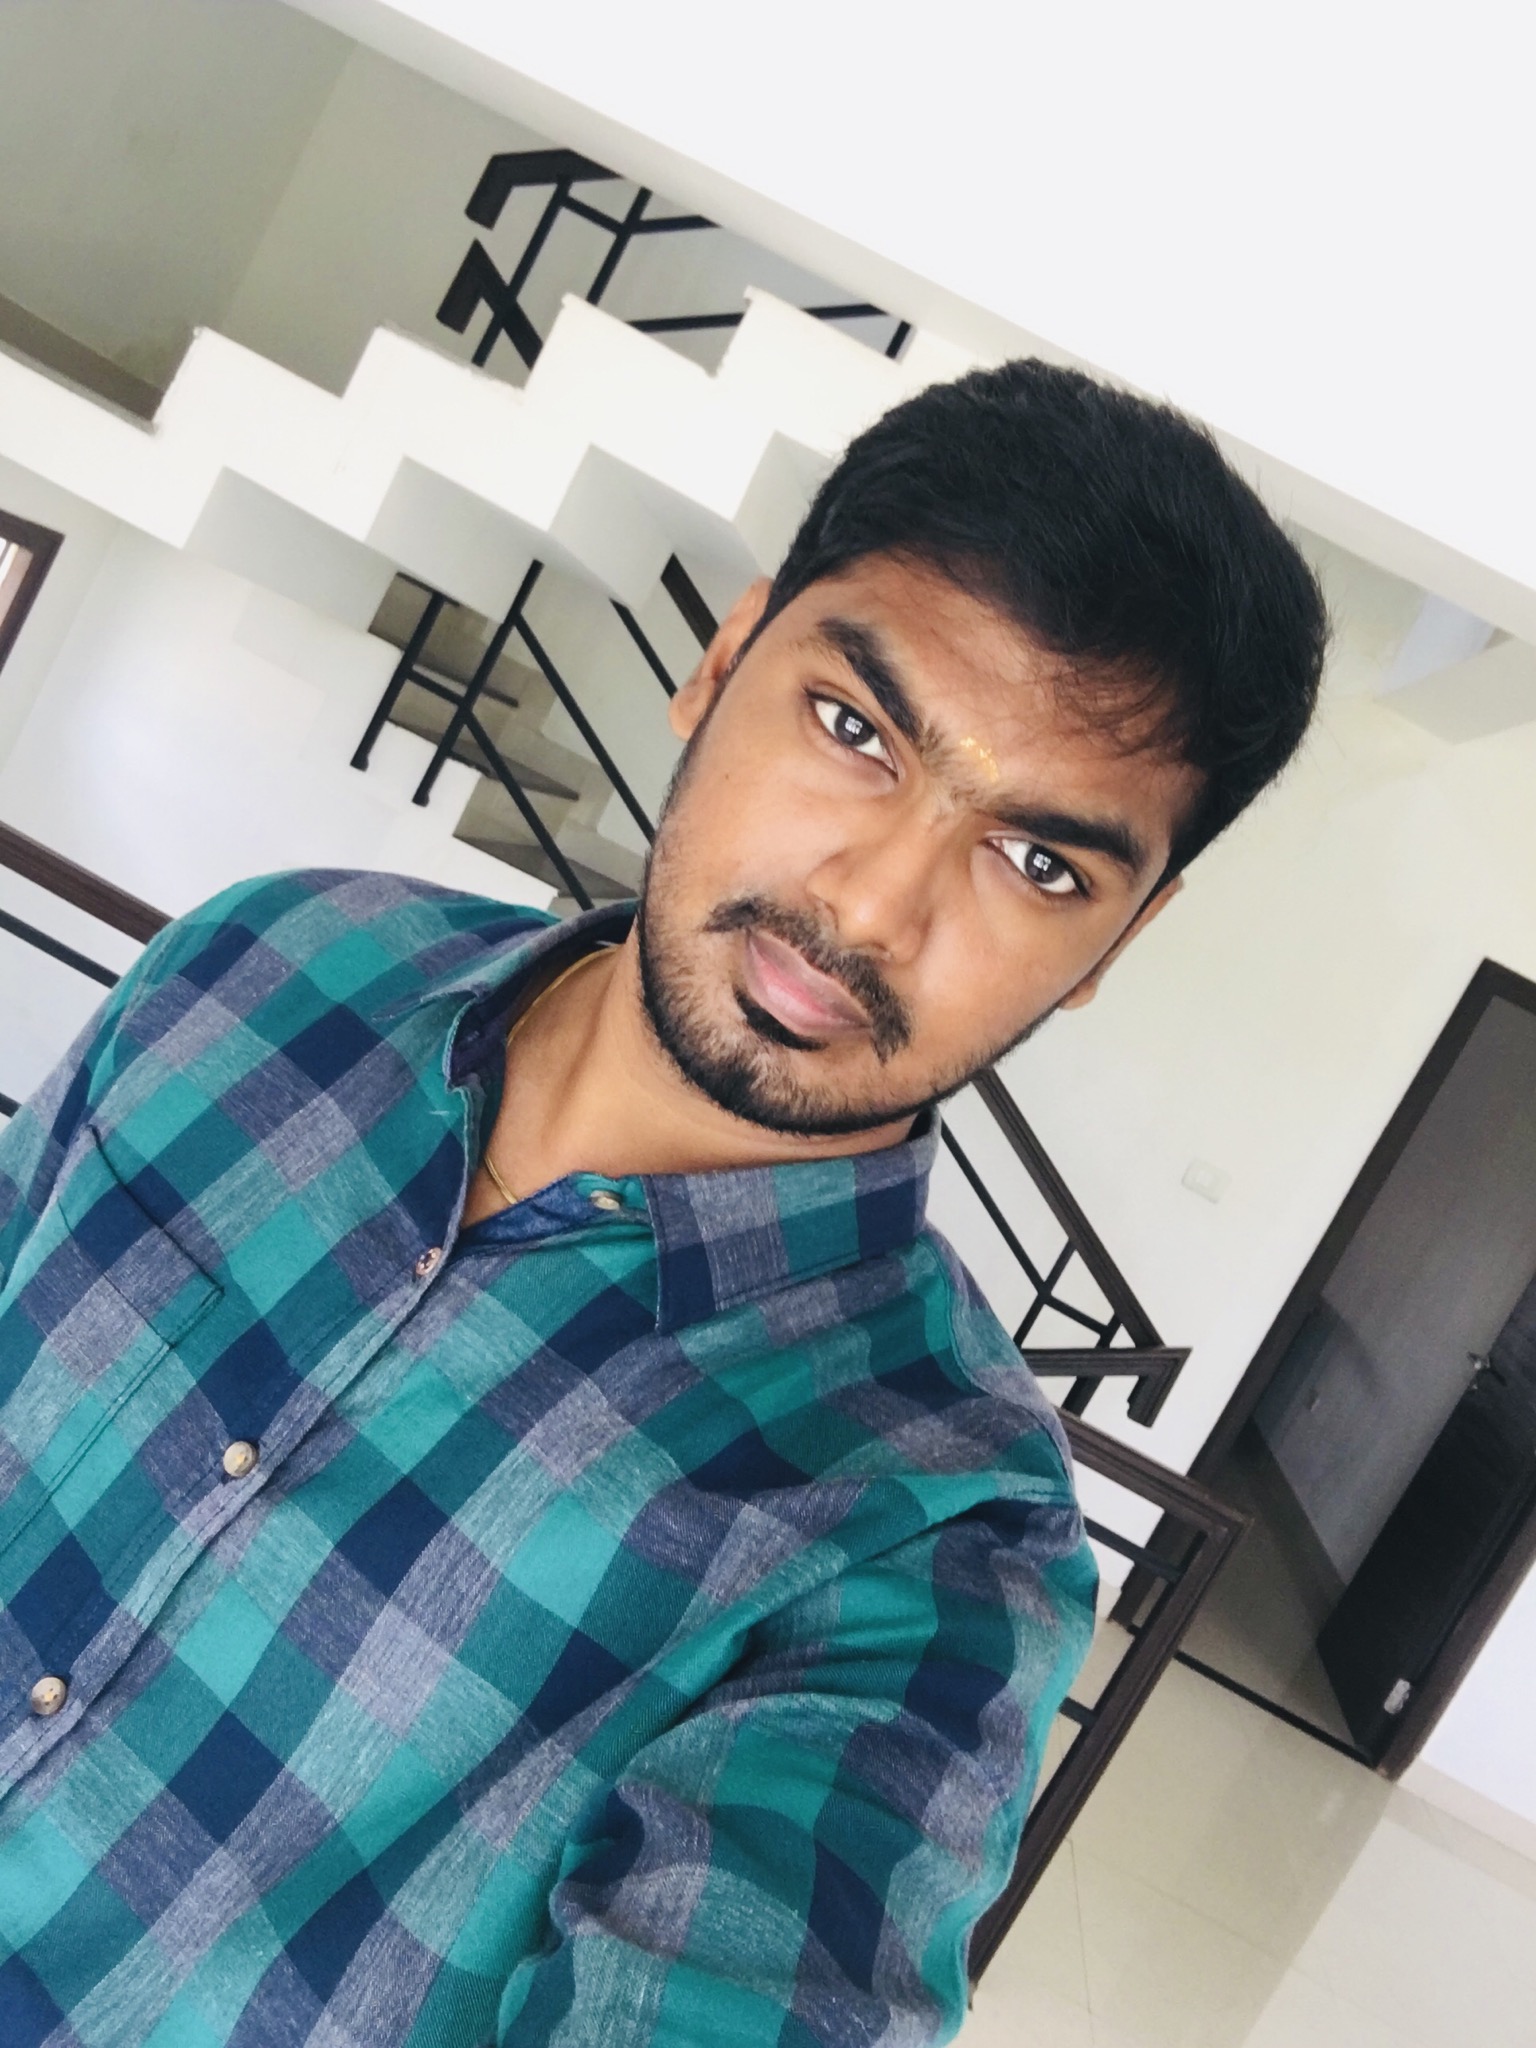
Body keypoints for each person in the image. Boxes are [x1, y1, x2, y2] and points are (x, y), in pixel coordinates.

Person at [0, 359, 1326, 2047]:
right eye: (855, 731)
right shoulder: (268, 961)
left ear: (1116, 943)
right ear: (722, 658)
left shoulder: (935, 1541)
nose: (875, 904)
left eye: (1037, 861)